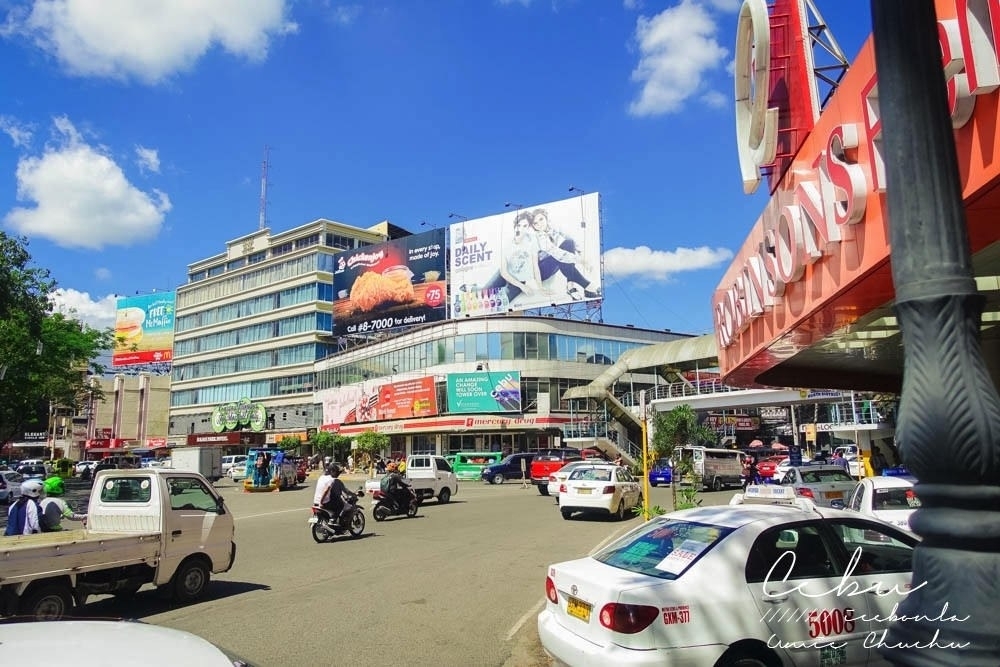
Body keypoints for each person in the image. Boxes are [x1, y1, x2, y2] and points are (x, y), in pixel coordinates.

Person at [528, 208, 601, 300]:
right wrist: (540, 288)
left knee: (568, 243)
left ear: (546, 218)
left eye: (541, 219)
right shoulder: (538, 238)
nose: (539, 224)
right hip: (541, 272)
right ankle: (587, 285)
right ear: (533, 226)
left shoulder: (554, 228)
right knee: (559, 255)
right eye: (535, 223)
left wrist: (582, 255)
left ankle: (570, 286)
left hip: (555, 262)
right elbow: (555, 253)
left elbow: (572, 240)